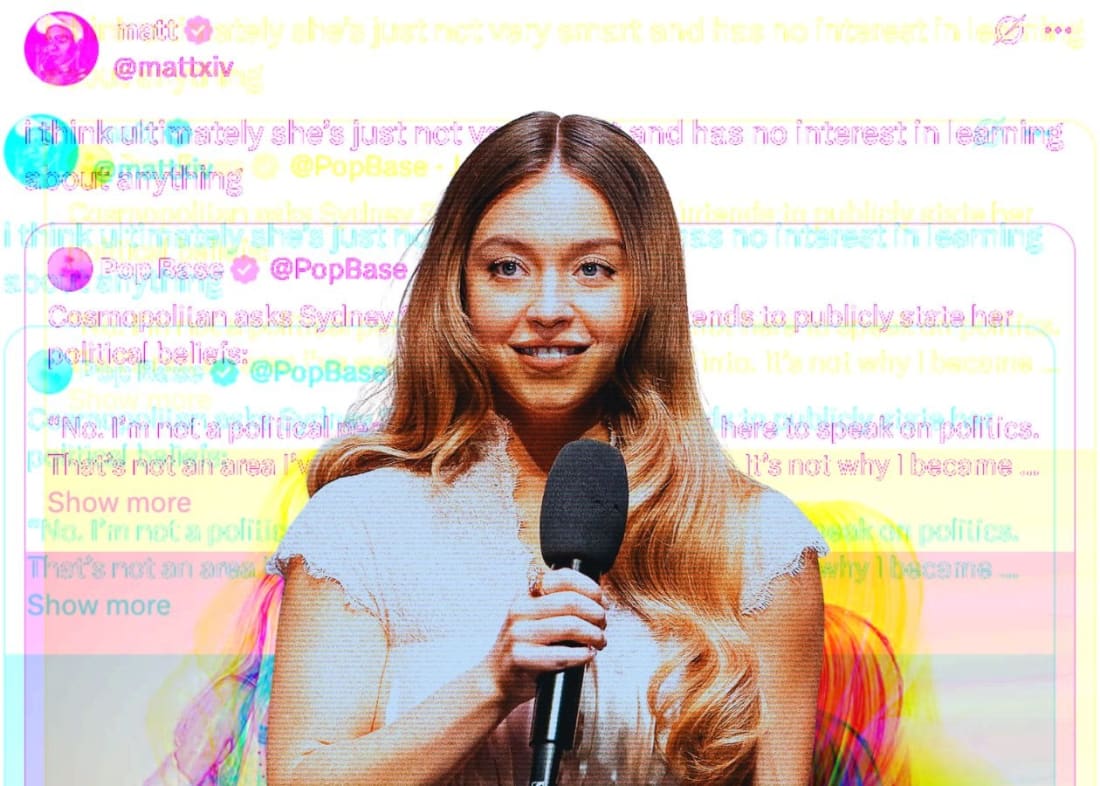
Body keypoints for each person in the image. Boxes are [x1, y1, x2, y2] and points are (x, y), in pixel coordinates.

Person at [260, 111, 828, 786]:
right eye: (507, 268)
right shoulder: (361, 525)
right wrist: (492, 685)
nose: (550, 307)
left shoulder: (756, 542)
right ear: (459, 287)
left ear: (646, 290)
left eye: (592, 269)